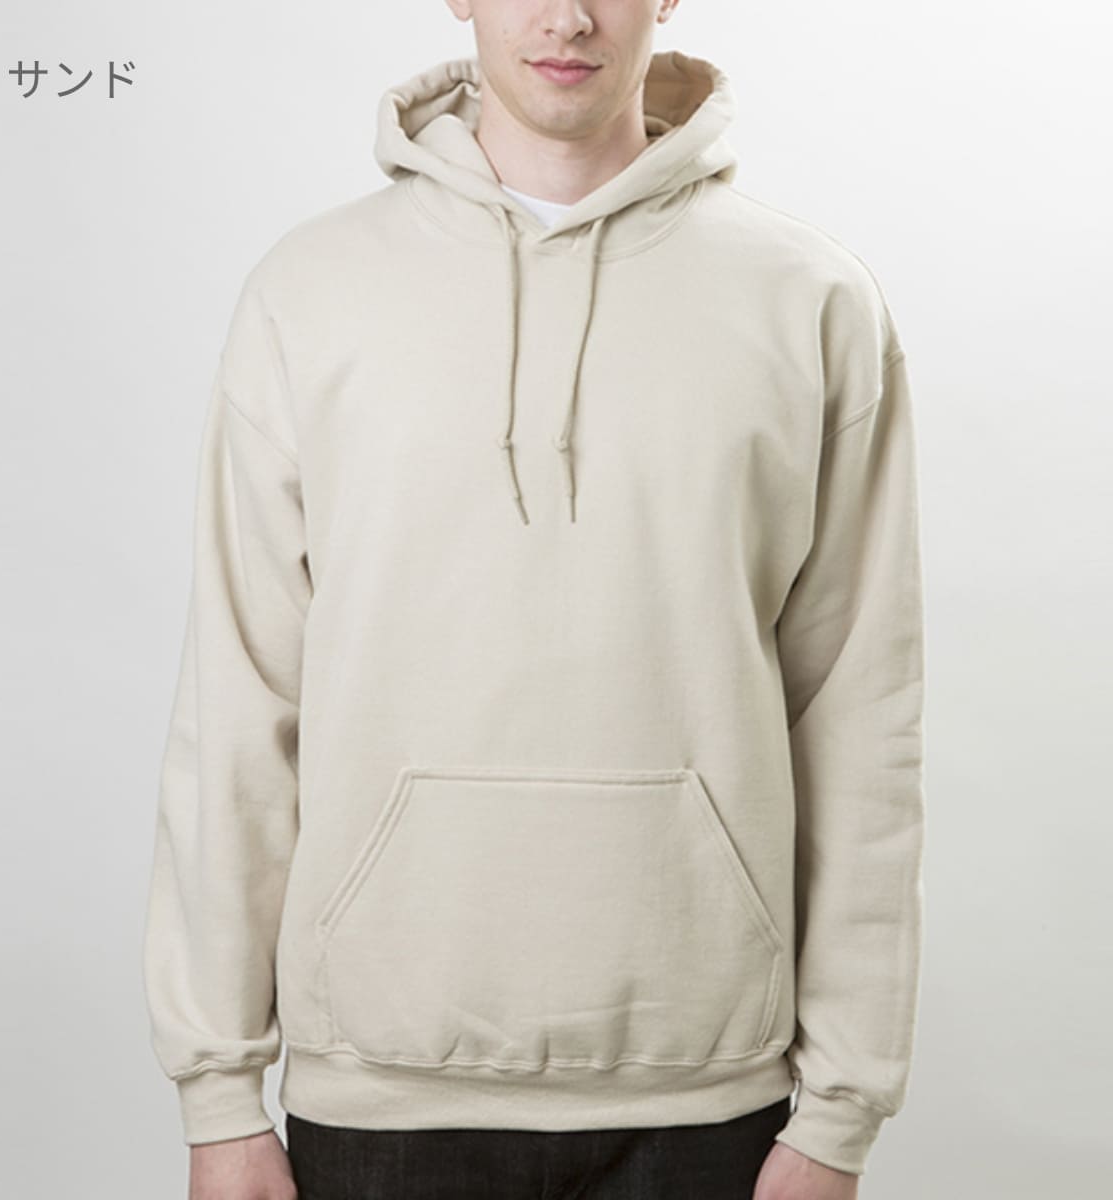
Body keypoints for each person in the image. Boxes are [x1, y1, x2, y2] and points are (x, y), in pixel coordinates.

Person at [141, 1, 927, 1198]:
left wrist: (840, 1116)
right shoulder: (311, 293)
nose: (567, 16)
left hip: (709, 1100)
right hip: (376, 1090)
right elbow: (240, 704)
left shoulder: (809, 299)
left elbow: (862, 721)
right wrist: (218, 1096)